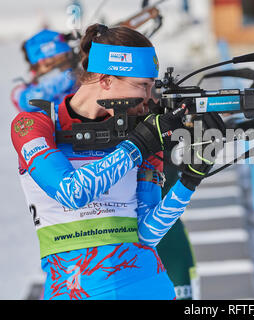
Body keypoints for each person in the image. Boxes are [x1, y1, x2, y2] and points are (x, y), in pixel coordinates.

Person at [10, 23, 223, 300]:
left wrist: (189, 180)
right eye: (142, 86)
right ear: (107, 80)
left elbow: (146, 234)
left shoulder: (137, 133)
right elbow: (70, 192)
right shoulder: (33, 124)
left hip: (151, 289)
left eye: (151, 87)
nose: (148, 99)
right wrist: (140, 143)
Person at [11, 29, 79, 113]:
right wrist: (71, 76)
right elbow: (24, 102)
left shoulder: (74, 78)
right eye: (66, 56)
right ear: (43, 62)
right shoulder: (22, 92)